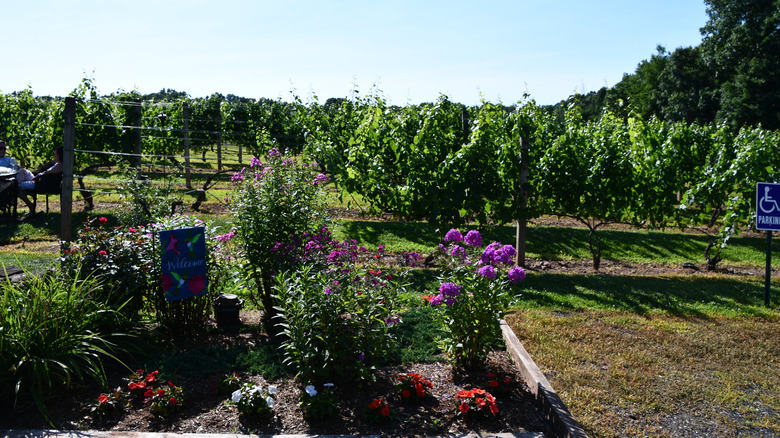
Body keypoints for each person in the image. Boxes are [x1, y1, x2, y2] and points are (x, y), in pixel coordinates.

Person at [19, 146, 64, 216]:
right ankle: (20, 186)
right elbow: (49, 165)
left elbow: (46, 173)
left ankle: (31, 206)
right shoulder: (59, 163)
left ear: (59, 155)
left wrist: (38, 176)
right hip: (40, 181)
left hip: (40, 184)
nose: (53, 155)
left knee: (15, 186)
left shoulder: (60, 165)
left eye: (55, 154)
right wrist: (41, 169)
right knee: (22, 171)